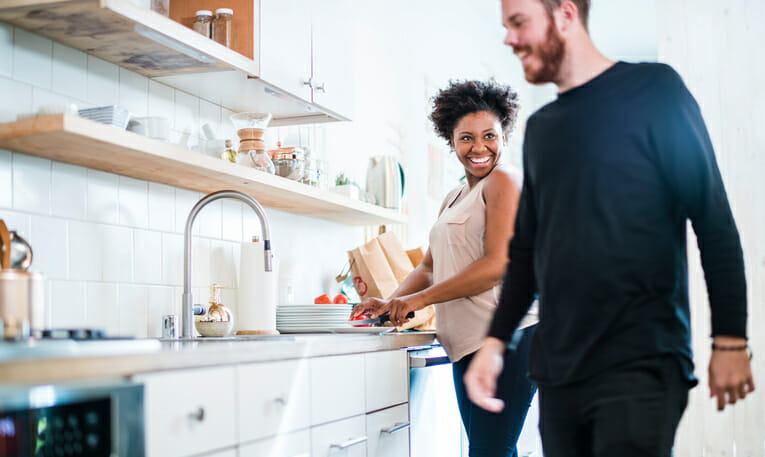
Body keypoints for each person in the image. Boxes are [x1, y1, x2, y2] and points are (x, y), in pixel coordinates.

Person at [464, 1, 756, 456]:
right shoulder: (543, 130)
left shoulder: (657, 92)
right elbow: (526, 255)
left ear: (564, 14)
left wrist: (731, 339)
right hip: (558, 371)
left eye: (519, 23)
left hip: (640, 365)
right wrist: (495, 342)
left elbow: (713, 219)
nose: (509, 39)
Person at [351, 80, 538, 457]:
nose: (479, 147)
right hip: (468, 344)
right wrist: (391, 302)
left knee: (489, 450)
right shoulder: (455, 196)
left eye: (490, 135)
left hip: (510, 340)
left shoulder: (504, 180)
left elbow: (497, 265)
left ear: (505, 135)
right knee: (491, 450)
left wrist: (419, 301)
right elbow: (430, 266)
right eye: (466, 138)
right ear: (451, 141)